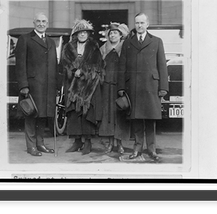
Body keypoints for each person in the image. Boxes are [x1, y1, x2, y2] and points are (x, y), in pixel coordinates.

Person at [117, 13, 169, 161]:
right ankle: (137, 148)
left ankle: (152, 149)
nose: (139, 26)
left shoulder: (157, 41)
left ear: (147, 24)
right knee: (137, 119)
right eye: (137, 23)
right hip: (133, 87)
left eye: (142, 23)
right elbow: (122, 66)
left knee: (151, 119)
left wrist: (163, 87)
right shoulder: (128, 42)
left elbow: (162, 66)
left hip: (151, 86)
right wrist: (121, 87)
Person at [15, 12, 58, 156]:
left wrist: (56, 87)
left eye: (44, 21)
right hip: (32, 87)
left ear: (47, 23)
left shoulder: (51, 42)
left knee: (43, 116)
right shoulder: (25, 39)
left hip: (48, 87)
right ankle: (31, 146)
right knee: (31, 115)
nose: (41, 24)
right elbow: (20, 65)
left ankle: (40, 144)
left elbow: (54, 65)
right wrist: (23, 85)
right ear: (34, 23)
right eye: (38, 21)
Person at [61, 19, 105, 155]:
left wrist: (84, 71)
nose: (82, 35)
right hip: (73, 85)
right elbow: (64, 63)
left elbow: (98, 65)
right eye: (80, 32)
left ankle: (87, 143)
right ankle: (77, 142)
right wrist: (74, 70)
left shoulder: (94, 46)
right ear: (76, 34)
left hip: (88, 87)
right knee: (74, 114)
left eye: (85, 32)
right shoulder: (68, 47)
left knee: (87, 113)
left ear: (88, 34)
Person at [99, 22, 131, 153]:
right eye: (110, 33)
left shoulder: (125, 48)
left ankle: (120, 143)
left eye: (115, 33)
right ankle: (110, 143)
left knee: (120, 114)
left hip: (120, 87)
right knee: (108, 115)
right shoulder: (102, 49)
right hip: (106, 86)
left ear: (120, 35)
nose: (112, 35)